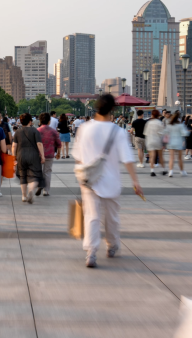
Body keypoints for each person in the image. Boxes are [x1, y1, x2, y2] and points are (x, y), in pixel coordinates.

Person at [72, 94, 143, 267]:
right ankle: (112, 245)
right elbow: (127, 159)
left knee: (92, 216)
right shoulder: (118, 132)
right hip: (111, 181)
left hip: (89, 180)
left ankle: (91, 252)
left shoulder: (85, 128)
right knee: (112, 216)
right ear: (113, 109)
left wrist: (85, 173)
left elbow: (78, 157)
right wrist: (136, 182)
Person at [13, 113, 45, 203]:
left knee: (23, 175)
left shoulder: (17, 132)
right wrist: (42, 156)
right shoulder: (35, 131)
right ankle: (31, 189)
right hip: (33, 155)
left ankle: (24, 195)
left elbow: (14, 146)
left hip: (21, 155)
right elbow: (39, 144)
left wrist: (13, 157)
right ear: (30, 121)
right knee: (35, 175)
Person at [37, 113, 61, 196]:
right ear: (49, 121)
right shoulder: (53, 131)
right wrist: (58, 153)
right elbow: (58, 143)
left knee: (39, 171)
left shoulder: (37, 131)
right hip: (50, 154)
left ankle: (40, 184)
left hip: (39, 154)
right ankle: (46, 190)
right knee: (47, 172)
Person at [163, 112, 187, 177]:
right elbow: (184, 133)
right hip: (179, 143)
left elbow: (165, 132)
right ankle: (182, 171)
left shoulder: (169, 125)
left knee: (171, 158)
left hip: (171, 143)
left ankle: (171, 171)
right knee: (180, 158)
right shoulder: (180, 125)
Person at [144, 109, 167, 177]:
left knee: (152, 156)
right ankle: (163, 170)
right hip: (158, 141)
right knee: (160, 156)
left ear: (152, 115)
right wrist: (164, 144)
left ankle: (152, 171)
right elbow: (163, 133)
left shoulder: (148, 123)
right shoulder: (160, 123)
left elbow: (146, 133)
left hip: (150, 141)